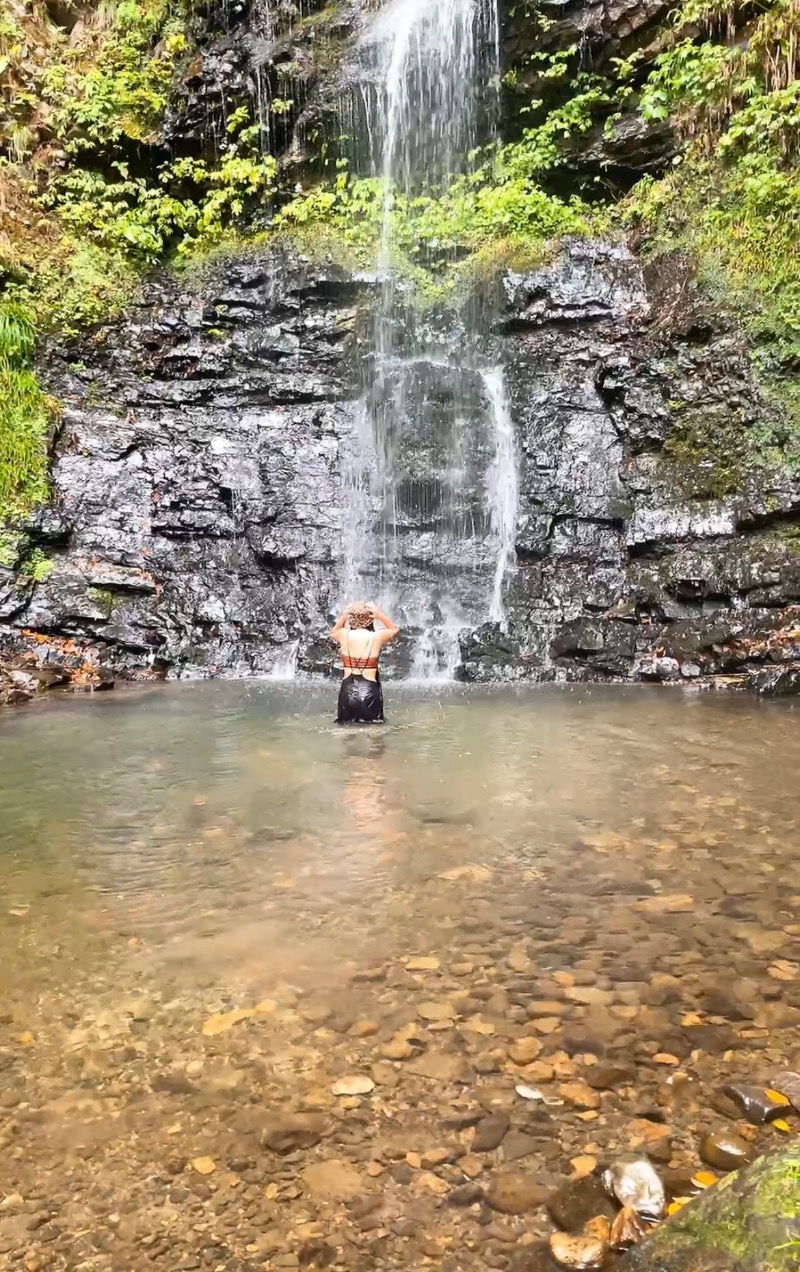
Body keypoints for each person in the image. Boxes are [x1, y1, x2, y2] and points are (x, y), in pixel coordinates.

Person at [329, 601, 399, 724]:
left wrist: (343, 617)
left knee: (346, 736)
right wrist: (379, 615)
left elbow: (333, 632)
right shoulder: (377, 636)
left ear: (351, 619)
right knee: (374, 736)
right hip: (369, 691)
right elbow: (393, 630)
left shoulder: (343, 634)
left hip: (348, 691)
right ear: (370, 619)